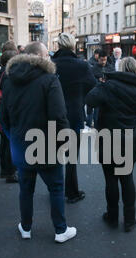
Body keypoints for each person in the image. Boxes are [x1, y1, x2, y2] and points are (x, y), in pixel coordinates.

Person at [0, 41, 76, 243]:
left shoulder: (9, 80)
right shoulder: (50, 80)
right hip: (46, 145)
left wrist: (14, 139)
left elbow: (4, 119)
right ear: (39, 57)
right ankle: (60, 230)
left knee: (26, 190)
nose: (50, 58)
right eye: (47, 55)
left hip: (21, 147)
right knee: (56, 188)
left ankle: (26, 228)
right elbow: (59, 117)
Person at [85, 57, 136, 232]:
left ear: (120, 69)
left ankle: (112, 216)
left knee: (111, 179)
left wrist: (101, 84)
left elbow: (90, 100)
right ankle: (130, 219)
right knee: (127, 178)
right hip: (130, 139)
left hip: (108, 138)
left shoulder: (108, 86)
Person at [52, 33, 97, 204]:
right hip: (74, 115)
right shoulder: (81, 65)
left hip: (53, 116)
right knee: (71, 157)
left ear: (58, 45)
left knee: (53, 155)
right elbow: (92, 86)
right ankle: (71, 192)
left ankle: (55, 191)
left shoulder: (50, 64)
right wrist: (80, 97)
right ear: (72, 45)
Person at [0, 49, 19, 182]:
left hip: (0, 112)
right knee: (10, 142)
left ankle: (4, 169)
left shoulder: (0, 74)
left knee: (4, 142)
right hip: (9, 111)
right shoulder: (10, 74)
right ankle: (10, 172)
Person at [87, 49, 114, 128]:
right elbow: (90, 81)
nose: (103, 62)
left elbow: (114, 79)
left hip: (108, 94)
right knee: (96, 116)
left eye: (105, 60)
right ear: (98, 59)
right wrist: (98, 81)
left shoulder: (110, 67)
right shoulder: (93, 68)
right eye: (102, 60)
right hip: (97, 94)